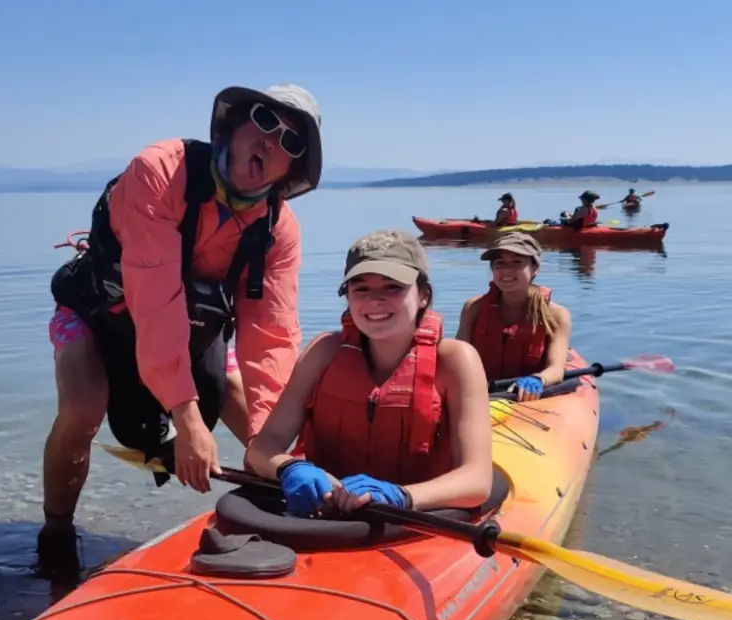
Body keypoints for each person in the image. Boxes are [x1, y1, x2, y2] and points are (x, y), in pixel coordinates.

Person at [40, 83, 323, 583]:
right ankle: (57, 535)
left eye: (290, 141)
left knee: (262, 421)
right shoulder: (159, 171)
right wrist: (187, 420)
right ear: (234, 125)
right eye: (263, 120)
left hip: (189, 331)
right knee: (82, 408)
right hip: (97, 312)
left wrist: (274, 449)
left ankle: (305, 509)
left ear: (293, 170)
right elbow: (154, 299)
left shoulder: (279, 230)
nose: (270, 142)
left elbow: (271, 338)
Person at [246, 229, 494, 517]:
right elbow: (263, 445)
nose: (375, 301)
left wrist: (401, 496)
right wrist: (288, 467)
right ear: (348, 296)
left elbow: (477, 480)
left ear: (424, 295)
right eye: (360, 289)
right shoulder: (324, 352)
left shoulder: (456, 361)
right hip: (322, 516)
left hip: (415, 520)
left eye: (392, 287)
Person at [456, 232, 571, 402]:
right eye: (500, 263)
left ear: (535, 269)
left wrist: (539, 379)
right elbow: (458, 359)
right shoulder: (473, 308)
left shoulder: (556, 315)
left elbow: (556, 369)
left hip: (531, 397)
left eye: (517, 262)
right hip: (482, 393)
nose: (507, 270)